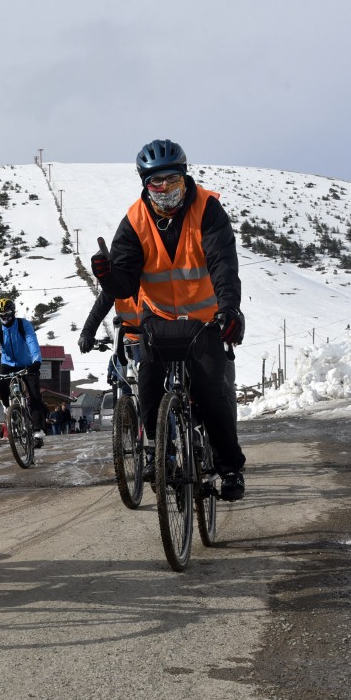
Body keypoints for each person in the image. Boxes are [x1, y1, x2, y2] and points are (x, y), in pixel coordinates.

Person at [90, 139, 247, 501]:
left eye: (172, 181)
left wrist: (230, 309)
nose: (164, 191)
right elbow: (125, 282)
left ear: (184, 178)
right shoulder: (134, 220)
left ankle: (229, 468)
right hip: (158, 322)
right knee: (148, 389)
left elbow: (223, 264)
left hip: (206, 322)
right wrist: (106, 275)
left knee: (212, 394)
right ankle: (163, 455)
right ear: (144, 184)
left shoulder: (208, 210)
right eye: (155, 183)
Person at [0, 296, 47, 441]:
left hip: (27, 363)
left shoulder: (24, 325)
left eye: (7, 315)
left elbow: (32, 342)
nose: (5, 318)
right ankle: (8, 407)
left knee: (35, 394)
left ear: (13, 313)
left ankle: (38, 429)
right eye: (1, 316)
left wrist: (36, 362)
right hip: (8, 364)